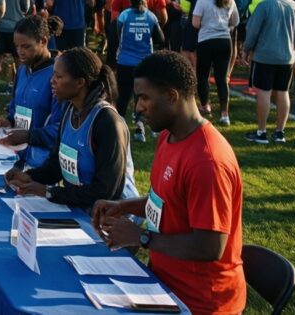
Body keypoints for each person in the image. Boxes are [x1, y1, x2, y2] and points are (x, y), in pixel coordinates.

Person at [93, 51, 245, 315]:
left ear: (172, 96)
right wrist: (125, 206)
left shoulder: (207, 161)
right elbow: (168, 202)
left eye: (144, 98)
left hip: (200, 302)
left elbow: (210, 246)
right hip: (162, 283)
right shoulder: (169, 137)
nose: (137, 108)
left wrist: (141, 237)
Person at [6, 47, 138, 207]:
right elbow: (57, 165)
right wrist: (29, 176)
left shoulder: (107, 122)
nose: (51, 81)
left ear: (80, 82)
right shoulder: (70, 110)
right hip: (77, 207)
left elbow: (106, 191)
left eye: (59, 76)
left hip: (109, 218)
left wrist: (49, 192)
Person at [0, 15, 65, 170]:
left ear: (43, 41)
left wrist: (29, 136)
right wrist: (8, 121)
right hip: (13, 156)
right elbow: (16, 110)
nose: (19, 52)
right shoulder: (23, 70)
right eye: (16, 46)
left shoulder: (57, 77)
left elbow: (61, 129)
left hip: (42, 164)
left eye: (26, 47)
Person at [242, 0, 295, 144]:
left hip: (265, 56)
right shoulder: (294, 6)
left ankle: (261, 132)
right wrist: (292, 49)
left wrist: (246, 49)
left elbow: (253, 31)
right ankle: (279, 132)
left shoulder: (264, 6)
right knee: (283, 92)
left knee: (264, 93)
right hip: (286, 56)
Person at [115, 0, 165, 141]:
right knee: (141, 97)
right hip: (144, 63)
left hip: (124, 61)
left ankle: (118, 128)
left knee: (123, 95)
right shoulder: (151, 17)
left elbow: (117, 35)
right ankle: (139, 128)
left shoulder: (124, 16)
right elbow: (160, 40)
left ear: (130, 0)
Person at [192, 0, 239, 125]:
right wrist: (228, 27)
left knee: (203, 75)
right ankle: (225, 113)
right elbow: (236, 20)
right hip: (224, 41)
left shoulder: (203, 0)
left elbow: (195, 23)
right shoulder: (229, 0)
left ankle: (205, 105)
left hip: (206, 40)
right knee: (221, 78)